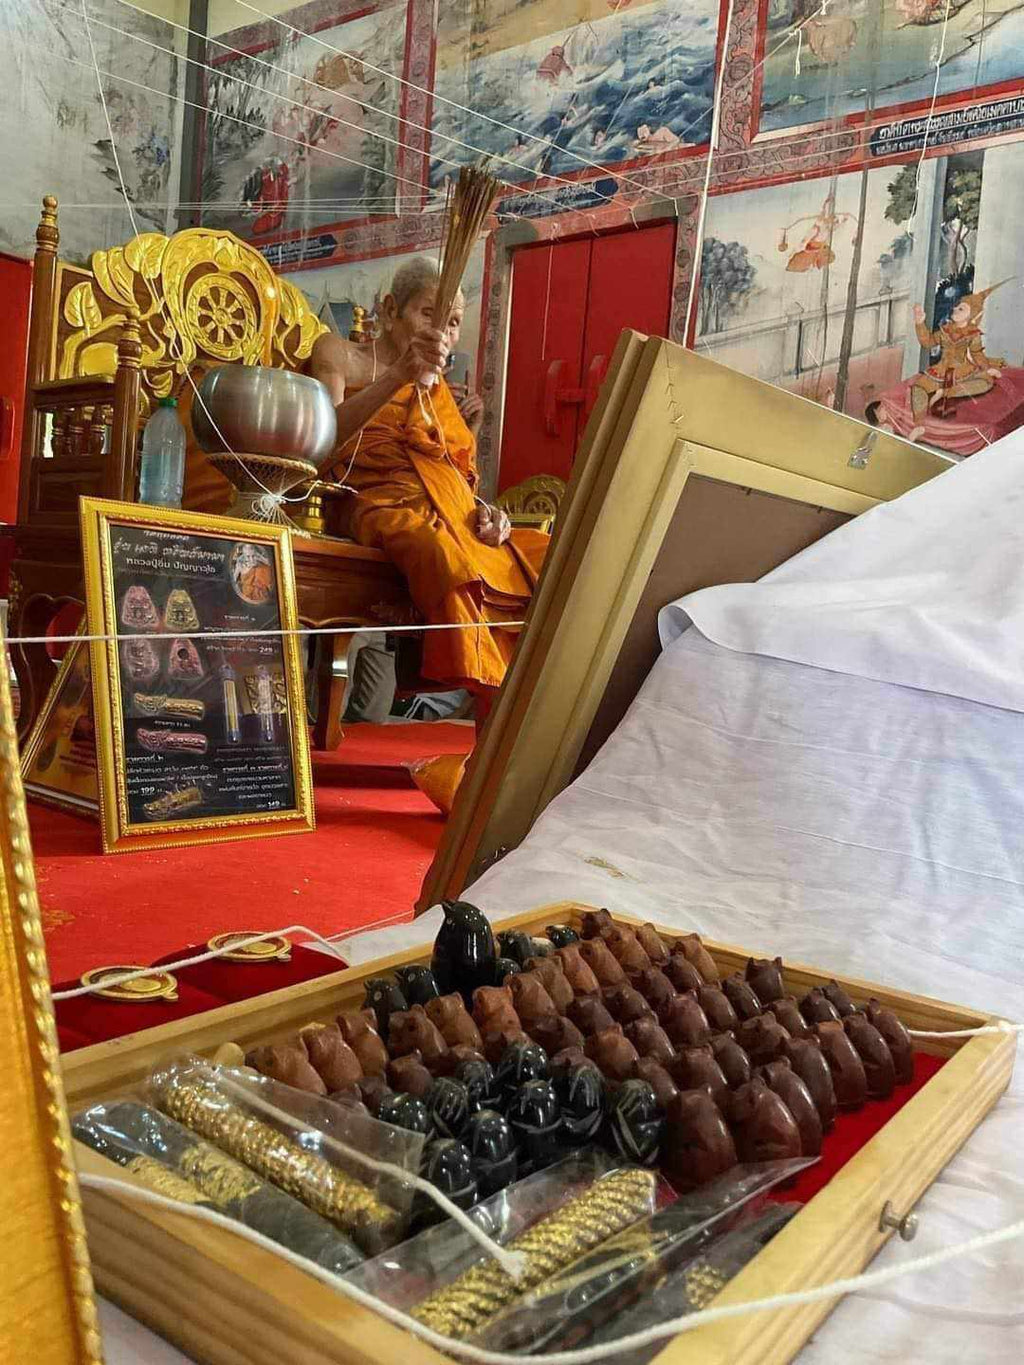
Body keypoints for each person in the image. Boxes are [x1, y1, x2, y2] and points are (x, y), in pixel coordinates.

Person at [308, 258, 548, 802]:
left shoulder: (437, 390)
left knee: (548, 556)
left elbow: (458, 475)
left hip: (450, 509)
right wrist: (397, 375)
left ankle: (505, 751)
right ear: (391, 310)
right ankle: (491, 744)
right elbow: (322, 442)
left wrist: (490, 512)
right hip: (374, 502)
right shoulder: (339, 353)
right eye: (427, 314)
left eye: (454, 322)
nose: (443, 333)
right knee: (445, 555)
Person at [906, 287, 1006, 442]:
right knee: (918, 388)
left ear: (970, 315)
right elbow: (928, 342)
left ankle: (945, 392)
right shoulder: (945, 330)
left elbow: (977, 354)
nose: (955, 309)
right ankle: (919, 425)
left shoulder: (973, 334)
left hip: (963, 371)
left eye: (961, 309)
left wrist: (988, 369)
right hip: (940, 370)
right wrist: (920, 323)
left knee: (985, 382)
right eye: (956, 306)